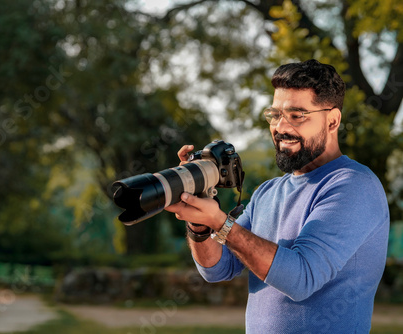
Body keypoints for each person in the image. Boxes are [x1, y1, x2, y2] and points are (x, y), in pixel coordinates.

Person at [166, 59, 389, 333]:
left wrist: (221, 223)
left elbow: (301, 279)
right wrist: (199, 224)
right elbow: (217, 268)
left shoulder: (354, 186)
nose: (281, 127)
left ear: (332, 120)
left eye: (297, 115)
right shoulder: (267, 192)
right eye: (275, 115)